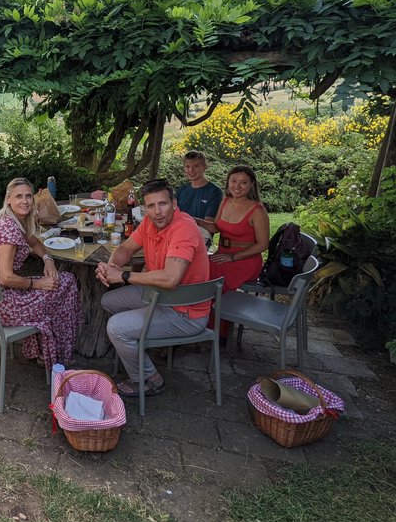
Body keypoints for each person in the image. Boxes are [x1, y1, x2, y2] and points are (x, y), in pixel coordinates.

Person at [95, 178, 211, 399]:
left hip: (186, 313)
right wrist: (112, 266)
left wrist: (124, 275)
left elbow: (170, 279)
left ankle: (149, 380)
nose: (157, 211)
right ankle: (136, 343)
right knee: (108, 301)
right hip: (160, 297)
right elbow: (126, 248)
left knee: (116, 327)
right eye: (151, 206)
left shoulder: (183, 228)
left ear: (174, 204)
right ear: (144, 208)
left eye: (163, 204)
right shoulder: (150, 222)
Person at [0, 178, 83, 368]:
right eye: (19, 196)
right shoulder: (8, 228)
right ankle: (54, 355)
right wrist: (38, 284)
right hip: (3, 302)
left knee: (60, 281)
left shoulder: (15, 220)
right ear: (8, 199)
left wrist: (48, 260)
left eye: (28, 196)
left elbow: (35, 243)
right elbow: (5, 277)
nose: (25, 201)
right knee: (67, 284)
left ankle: (43, 351)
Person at [205, 165, 270, 335]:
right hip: (222, 255)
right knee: (199, 266)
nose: (237, 186)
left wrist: (233, 257)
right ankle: (198, 322)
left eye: (243, 182)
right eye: (233, 181)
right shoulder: (225, 201)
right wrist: (193, 220)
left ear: (251, 185)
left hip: (245, 260)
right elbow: (215, 228)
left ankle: (218, 331)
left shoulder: (257, 210)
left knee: (211, 275)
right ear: (228, 182)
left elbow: (263, 245)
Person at [175, 150, 223, 245]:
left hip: (200, 240)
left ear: (204, 167)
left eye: (196, 166)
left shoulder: (214, 192)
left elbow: (209, 225)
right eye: (187, 166)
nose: (191, 170)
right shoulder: (181, 190)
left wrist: (188, 220)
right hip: (177, 236)